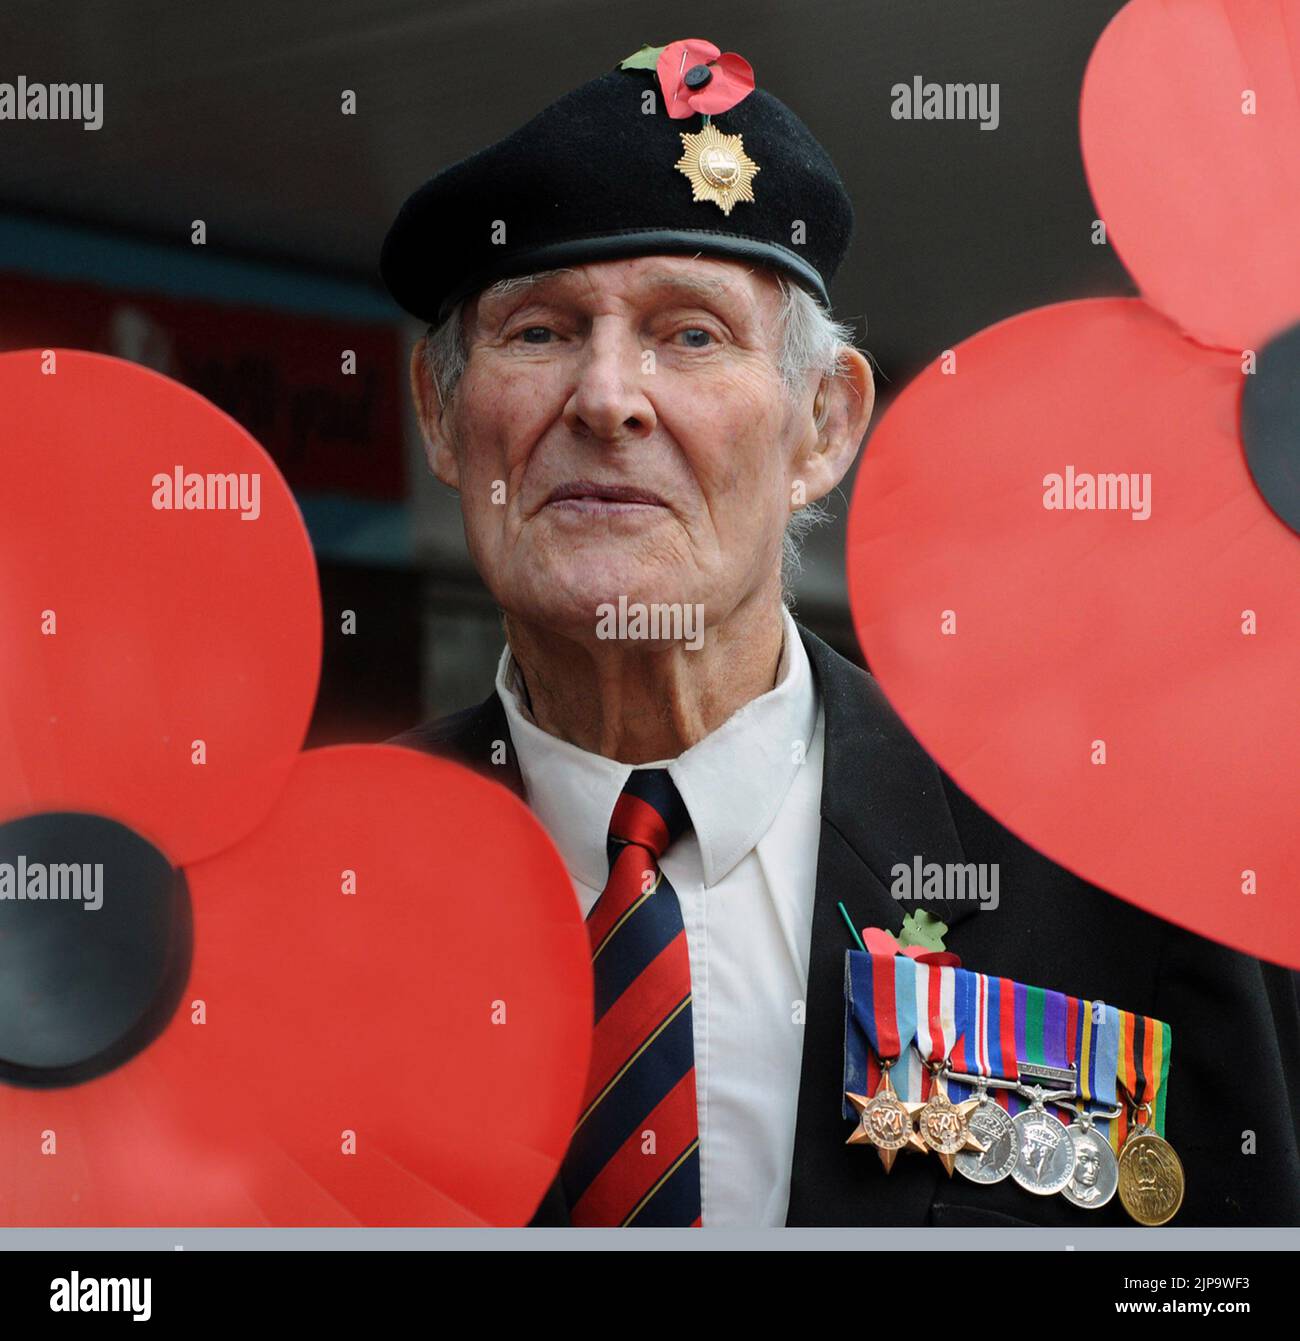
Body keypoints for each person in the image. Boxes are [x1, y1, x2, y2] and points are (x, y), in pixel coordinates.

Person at [380, 41, 1300, 1227]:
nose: (606, 396)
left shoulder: (1105, 879)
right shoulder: (315, 891)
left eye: (690, 334)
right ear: (441, 418)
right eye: (542, 332)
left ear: (824, 425)